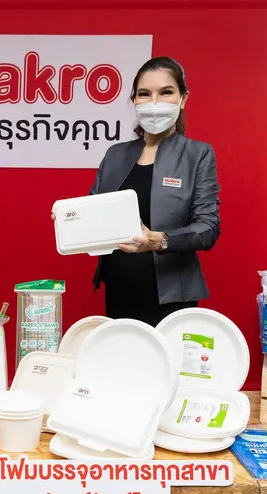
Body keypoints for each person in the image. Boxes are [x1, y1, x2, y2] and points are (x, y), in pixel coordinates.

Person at [89, 57, 220, 326]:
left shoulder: (197, 155)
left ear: (183, 98)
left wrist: (159, 240)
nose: (154, 102)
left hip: (172, 296)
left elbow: (208, 227)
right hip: (120, 289)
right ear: (134, 100)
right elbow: (94, 212)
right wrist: (71, 220)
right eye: (145, 94)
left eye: (166, 92)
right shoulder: (115, 155)